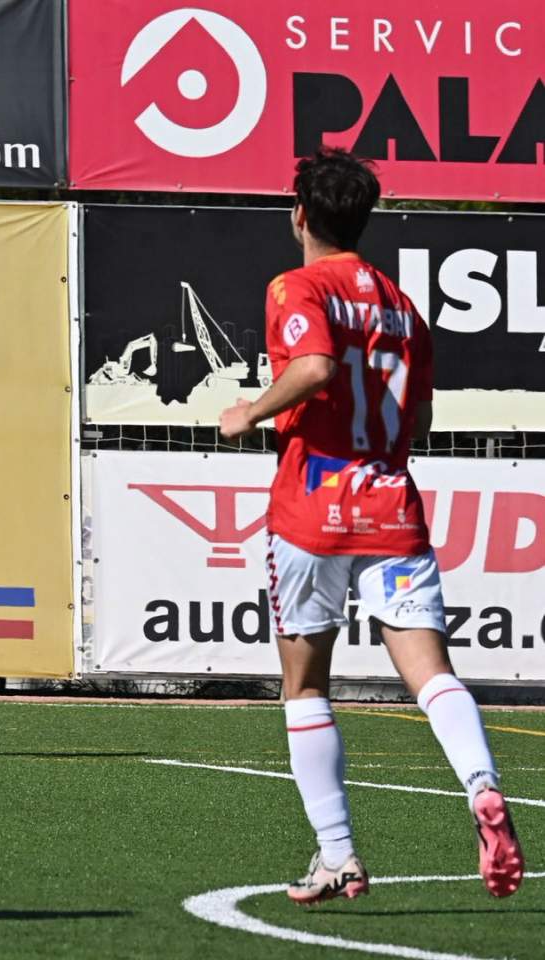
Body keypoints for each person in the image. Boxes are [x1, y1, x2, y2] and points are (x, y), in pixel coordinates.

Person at [218, 148, 523, 904]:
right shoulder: (401, 307)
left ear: (298, 216)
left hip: (312, 509)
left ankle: (337, 855)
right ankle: (480, 783)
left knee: (304, 686)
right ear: (363, 217)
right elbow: (416, 415)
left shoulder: (296, 285)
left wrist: (249, 410)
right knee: (431, 673)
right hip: (390, 505)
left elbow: (316, 364)